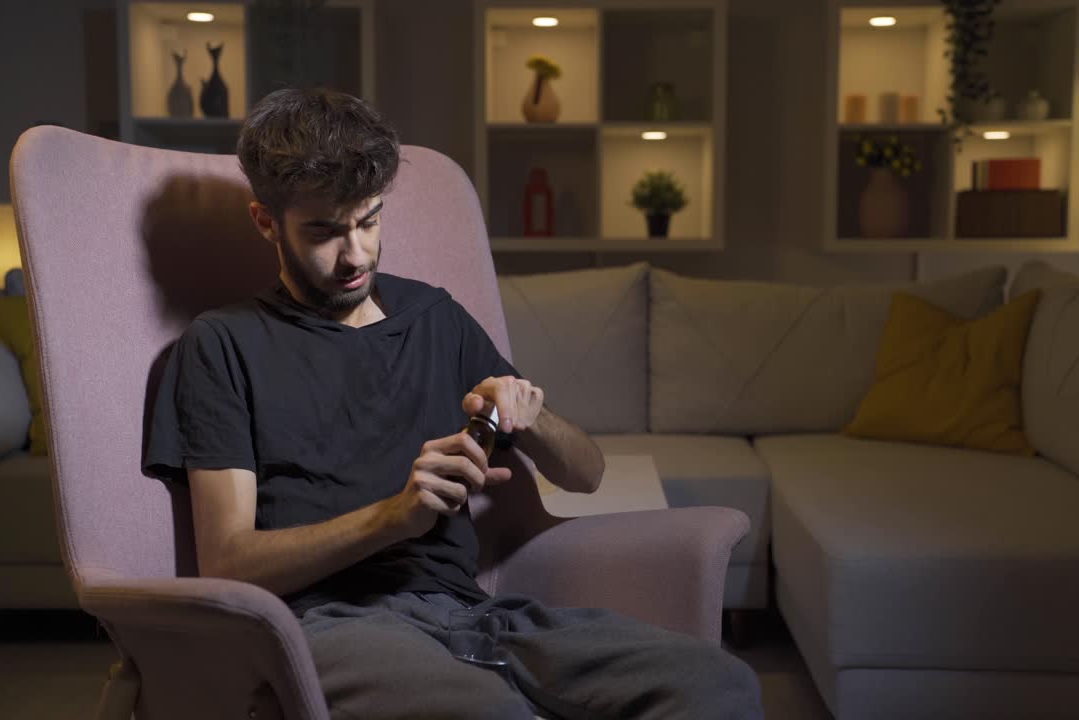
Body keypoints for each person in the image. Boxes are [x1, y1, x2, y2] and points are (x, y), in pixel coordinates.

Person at [144, 87, 763, 720]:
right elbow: (227, 563)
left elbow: (587, 473)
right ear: (266, 222)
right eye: (324, 232)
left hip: (472, 615)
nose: (354, 255)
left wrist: (532, 413)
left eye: (369, 221)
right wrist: (395, 516)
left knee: (719, 685)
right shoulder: (222, 345)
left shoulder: (434, 317)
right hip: (328, 624)